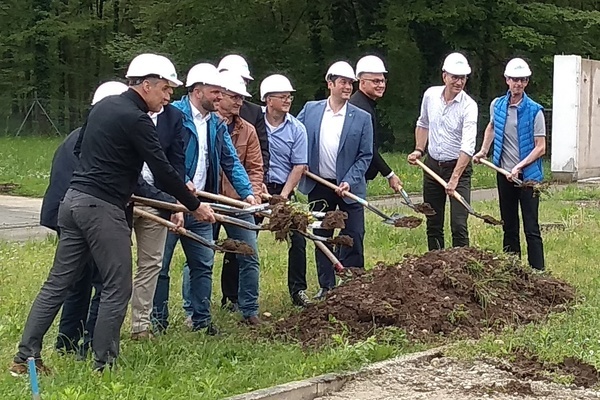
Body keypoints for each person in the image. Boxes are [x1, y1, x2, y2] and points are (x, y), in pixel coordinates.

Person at [10, 53, 215, 374]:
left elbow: (80, 152)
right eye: (164, 88)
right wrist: (193, 205)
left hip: (73, 203)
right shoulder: (137, 119)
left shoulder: (102, 108)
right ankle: (105, 364)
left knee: (57, 283)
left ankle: (25, 358)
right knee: (117, 286)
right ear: (146, 85)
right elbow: (162, 171)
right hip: (101, 210)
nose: (168, 96)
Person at [152, 63, 255, 335]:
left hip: (199, 207)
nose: (220, 97)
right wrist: (180, 182)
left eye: (222, 92)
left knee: (203, 264)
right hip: (171, 203)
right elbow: (161, 157)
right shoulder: (172, 116)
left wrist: (247, 192)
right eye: (215, 92)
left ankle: (201, 320)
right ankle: (157, 323)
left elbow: (231, 160)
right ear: (197, 91)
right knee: (160, 267)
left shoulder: (216, 124)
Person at [40, 81, 128, 357]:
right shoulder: (101, 142)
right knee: (105, 282)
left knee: (76, 282)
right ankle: (92, 344)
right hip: (90, 216)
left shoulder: (77, 136)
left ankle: (67, 342)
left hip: (66, 214)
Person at [297, 61, 373, 299]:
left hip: (349, 188)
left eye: (350, 83)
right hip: (319, 184)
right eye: (343, 82)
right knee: (322, 235)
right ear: (330, 84)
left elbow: (365, 155)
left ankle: (354, 285)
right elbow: (296, 135)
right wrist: (300, 161)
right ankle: (327, 287)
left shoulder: (362, 117)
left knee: (354, 234)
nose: (348, 87)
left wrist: (350, 180)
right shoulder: (311, 110)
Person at [473, 58, 546, 271]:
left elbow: (540, 147)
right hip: (504, 173)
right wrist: (483, 151)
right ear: (507, 79)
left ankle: (537, 273)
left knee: (531, 227)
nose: (518, 84)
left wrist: (520, 167)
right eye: (515, 79)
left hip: (528, 177)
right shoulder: (498, 105)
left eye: (522, 80)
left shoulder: (535, 111)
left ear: (527, 82)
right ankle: (513, 270)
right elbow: (492, 128)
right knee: (509, 225)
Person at [407, 52, 478, 251]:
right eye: (455, 77)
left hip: (459, 169)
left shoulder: (469, 106)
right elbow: (423, 123)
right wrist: (419, 150)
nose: (459, 82)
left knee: (459, 224)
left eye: (463, 78)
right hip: (432, 167)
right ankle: (436, 269)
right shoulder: (430, 95)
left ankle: (462, 268)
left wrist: (455, 178)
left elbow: (468, 146)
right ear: (444, 76)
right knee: (433, 222)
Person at [130, 97, 187, 340]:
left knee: (152, 263)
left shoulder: (172, 117)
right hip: (124, 198)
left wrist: (176, 203)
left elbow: (175, 164)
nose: (167, 96)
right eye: (164, 88)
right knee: (116, 266)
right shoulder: (126, 116)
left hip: (158, 200)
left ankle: (140, 326)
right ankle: (102, 323)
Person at [214, 70, 263, 324]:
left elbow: (254, 168)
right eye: (234, 97)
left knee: (249, 255)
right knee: (199, 258)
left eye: (242, 99)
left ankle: (250, 310)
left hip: (238, 203)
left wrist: (252, 195)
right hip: (207, 202)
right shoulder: (207, 124)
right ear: (218, 95)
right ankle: (194, 314)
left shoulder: (248, 130)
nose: (239, 102)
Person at [259, 74, 310, 307]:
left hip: (283, 188)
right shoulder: (253, 124)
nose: (288, 100)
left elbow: (299, 165)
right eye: (283, 96)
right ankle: (232, 296)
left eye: (289, 96)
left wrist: (284, 196)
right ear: (268, 100)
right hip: (255, 187)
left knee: (298, 237)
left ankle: (298, 290)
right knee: (242, 235)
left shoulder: (297, 129)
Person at [350, 55, 402, 192]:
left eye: (383, 81)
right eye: (376, 81)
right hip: (352, 176)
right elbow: (368, 148)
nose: (381, 85)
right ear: (362, 82)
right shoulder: (361, 108)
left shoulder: (363, 104)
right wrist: (389, 174)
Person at [217, 54, 269, 171]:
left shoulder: (253, 114)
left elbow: (259, 159)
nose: (243, 83)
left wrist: (257, 184)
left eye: (245, 81)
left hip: (239, 183)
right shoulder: (205, 117)